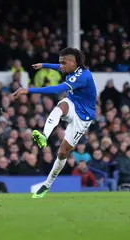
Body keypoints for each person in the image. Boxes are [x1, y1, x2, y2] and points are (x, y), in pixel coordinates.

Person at [12, 47, 97, 198]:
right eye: (60, 63)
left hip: (83, 118)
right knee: (61, 106)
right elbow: (58, 67)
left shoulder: (82, 77)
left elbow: (57, 89)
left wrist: (28, 90)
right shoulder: (72, 69)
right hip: (72, 104)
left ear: (73, 62)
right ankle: (44, 135)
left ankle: (47, 184)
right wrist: (44, 65)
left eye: (63, 63)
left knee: (63, 153)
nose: (61, 66)